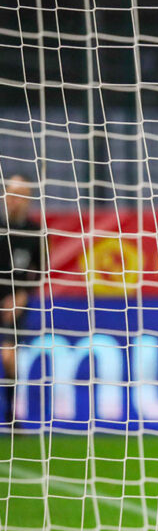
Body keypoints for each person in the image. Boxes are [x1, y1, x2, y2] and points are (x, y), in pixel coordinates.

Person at [0, 175, 46, 426]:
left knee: (9, 357)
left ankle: (10, 413)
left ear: (28, 199)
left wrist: (22, 295)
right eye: (11, 193)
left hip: (14, 302)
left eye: (21, 194)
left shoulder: (34, 231)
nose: (14, 199)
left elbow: (40, 271)